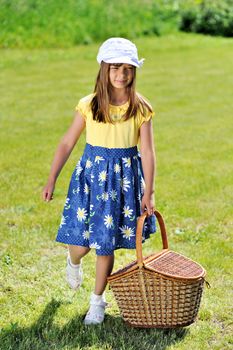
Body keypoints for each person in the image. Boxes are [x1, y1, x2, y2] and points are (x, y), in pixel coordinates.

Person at [42, 37, 156, 325]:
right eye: (115, 67)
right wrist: (51, 178)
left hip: (123, 185)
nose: (122, 74)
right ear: (104, 70)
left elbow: (148, 153)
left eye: (128, 68)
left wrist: (149, 191)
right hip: (91, 180)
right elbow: (67, 142)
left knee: (106, 244)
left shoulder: (140, 108)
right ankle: (74, 260)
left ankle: (97, 302)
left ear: (134, 71)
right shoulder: (89, 105)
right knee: (81, 244)